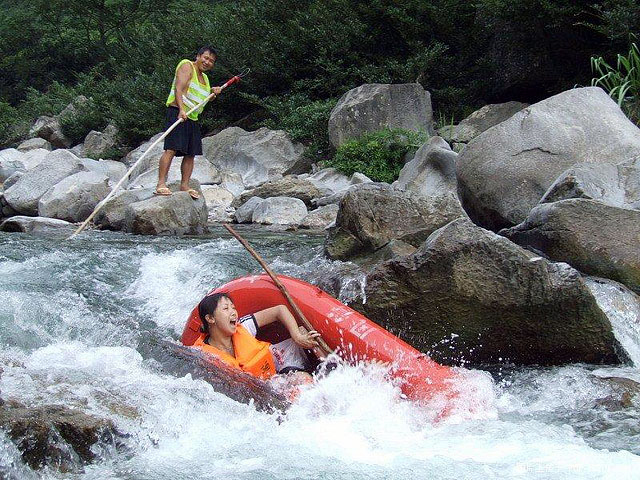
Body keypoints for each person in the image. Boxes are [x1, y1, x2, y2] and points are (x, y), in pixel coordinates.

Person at [193, 293, 321, 380]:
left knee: (303, 332)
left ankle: (330, 368)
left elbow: (279, 310)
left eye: (233, 308)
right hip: (267, 385)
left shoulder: (242, 326)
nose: (233, 313)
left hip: (282, 360)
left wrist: (297, 336)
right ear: (210, 318)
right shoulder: (203, 354)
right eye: (226, 309)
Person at [154, 46, 223, 200]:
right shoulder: (187, 65)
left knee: (191, 154)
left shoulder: (205, 78)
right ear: (198, 56)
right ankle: (160, 184)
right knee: (171, 149)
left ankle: (184, 185)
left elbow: (203, 98)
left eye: (211, 61)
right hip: (178, 113)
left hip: (192, 118)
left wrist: (212, 94)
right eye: (205, 58)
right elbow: (179, 88)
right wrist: (181, 109)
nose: (207, 62)